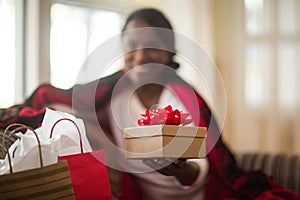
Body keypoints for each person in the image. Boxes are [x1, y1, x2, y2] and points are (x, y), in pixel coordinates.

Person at [0, 8, 298, 200]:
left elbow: (206, 170)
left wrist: (180, 170)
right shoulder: (110, 95)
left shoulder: (186, 100)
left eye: (151, 46)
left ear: (169, 53)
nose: (140, 55)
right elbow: (58, 103)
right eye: (131, 46)